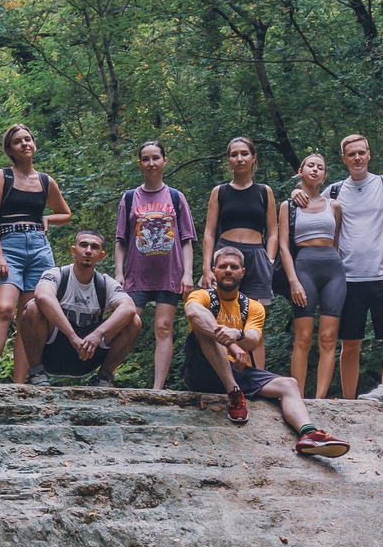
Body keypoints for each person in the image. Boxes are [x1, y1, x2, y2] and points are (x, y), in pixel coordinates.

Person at [183, 246, 350, 458]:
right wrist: (231, 344)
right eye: (223, 266)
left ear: (242, 272)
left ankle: (309, 434)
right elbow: (193, 312)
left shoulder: (252, 306)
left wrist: (238, 335)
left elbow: (253, 340)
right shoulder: (201, 296)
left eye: (234, 267)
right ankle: (234, 393)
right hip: (202, 369)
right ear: (214, 270)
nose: (228, 270)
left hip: (237, 369)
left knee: (289, 384)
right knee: (203, 327)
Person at [0, 123, 72, 381]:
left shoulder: (45, 181)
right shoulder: (2, 176)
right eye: (18, 141)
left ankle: (20, 383)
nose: (25, 144)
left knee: (29, 316)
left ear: (34, 143)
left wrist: (47, 219)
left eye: (28, 139)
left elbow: (65, 214)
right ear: (10, 149)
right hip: (8, 245)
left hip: (39, 250)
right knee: (4, 308)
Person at [114, 138, 196, 389]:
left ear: (164, 161)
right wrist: (118, 273)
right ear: (140, 164)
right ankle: (107, 375)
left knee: (163, 327)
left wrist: (188, 274)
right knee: (126, 323)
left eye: (155, 158)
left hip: (169, 274)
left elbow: (187, 240)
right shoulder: (130, 197)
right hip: (136, 274)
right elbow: (120, 240)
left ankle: (157, 389)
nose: (151, 163)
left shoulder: (175, 197)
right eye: (146, 159)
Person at [327, 132, 383, 401]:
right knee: (349, 343)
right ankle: (349, 401)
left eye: (361, 152)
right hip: (347, 278)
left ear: (369, 154)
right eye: (351, 154)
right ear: (343, 158)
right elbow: (311, 206)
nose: (357, 158)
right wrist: (297, 192)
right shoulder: (334, 191)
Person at [23, 230, 143, 387]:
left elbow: (128, 307)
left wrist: (98, 334)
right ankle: (36, 373)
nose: (88, 251)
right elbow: (43, 295)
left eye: (95, 247)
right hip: (52, 350)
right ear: (74, 251)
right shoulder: (56, 274)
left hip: (88, 353)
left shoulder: (105, 283)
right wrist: (72, 335)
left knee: (134, 321)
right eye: (83, 245)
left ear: (101, 255)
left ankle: (104, 377)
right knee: (33, 307)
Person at [284, 152, 344, 398]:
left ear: (325, 176)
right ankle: (296, 396)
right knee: (303, 337)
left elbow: (337, 241)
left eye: (320, 167)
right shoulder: (288, 206)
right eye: (310, 165)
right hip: (303, 269)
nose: (315, 169)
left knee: (328, 338)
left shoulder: (334, 205)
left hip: (333, 270)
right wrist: (293, 281)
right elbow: (283, 247)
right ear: (301, 170)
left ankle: (321, 399)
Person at [205, 136, 280, 302]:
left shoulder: (264, 191)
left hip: (257, 256)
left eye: (244, 154)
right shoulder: (219, 191)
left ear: (253, 157)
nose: (239, 159)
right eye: (234, 155)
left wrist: (269, 261)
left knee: (255, 312)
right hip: (225, 254)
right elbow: (209, 233)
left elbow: (273, 233)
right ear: (229, 160)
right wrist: (207, 267)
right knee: (220, 309)